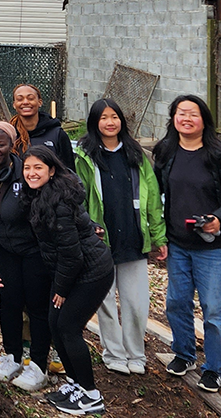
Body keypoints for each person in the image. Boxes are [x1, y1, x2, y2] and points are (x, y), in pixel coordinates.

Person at [153, 95, 221, 394]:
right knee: (176, 303)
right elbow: (153, 192)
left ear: (204, 120)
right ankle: (184, 354)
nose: (186, 119)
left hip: (214, 248)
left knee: (215, 311)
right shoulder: (166, 152)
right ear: (173, 119)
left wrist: (219, 218)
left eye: (192, 114)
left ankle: (215, 369)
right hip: (178, 244)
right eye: (181, 113)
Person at [73, 98, 168, 376]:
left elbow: (152, 201)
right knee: (105, 301)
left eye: (114, 116)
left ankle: (135, 353)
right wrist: (86, 226)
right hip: (100, 241)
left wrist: (158, 237)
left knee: (136, 303)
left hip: (132, 237)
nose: (110, 122)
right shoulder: (85, 156)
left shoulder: (136, 154)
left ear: (122, 121)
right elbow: (78, 196)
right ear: (94, 122)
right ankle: (113, 352)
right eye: (103, 118)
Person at [19, 145, 113, 415]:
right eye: (27, 167)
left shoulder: (58, 201)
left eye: (38, 167)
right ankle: (75, 383)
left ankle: (92, 395)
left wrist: (60, 288)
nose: (32, 173)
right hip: (72, 271)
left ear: (51, 170)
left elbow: (72, 255)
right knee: (54, 324)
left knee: (69, 328)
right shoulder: (39, 194)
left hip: (91, 272)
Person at [0, 122, 52, 391]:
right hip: (6, 249)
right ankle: (12, 357)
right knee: (8, 303)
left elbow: (44, 211)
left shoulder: (24, 173)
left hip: (33, 250)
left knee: (36, 306)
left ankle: (39, 366)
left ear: (11, 145)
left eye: (1, 144)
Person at [8, 84, 75, 163]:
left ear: (39, 102)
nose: (25, 102)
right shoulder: (9, 135)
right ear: (14, 105)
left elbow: (69, 171)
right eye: (20, 99)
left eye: (30, 98)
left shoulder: (57, 134)